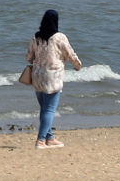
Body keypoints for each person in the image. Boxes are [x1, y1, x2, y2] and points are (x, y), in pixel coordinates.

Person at [25, 9, 81, 149]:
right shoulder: (59, 37)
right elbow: (70, 54)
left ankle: (50, 138)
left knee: (44, 109)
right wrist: (77, 65)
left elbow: (28, 57)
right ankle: (41, 140)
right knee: (49, 110)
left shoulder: (35, 37)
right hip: (52, 77)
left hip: (37, 77)